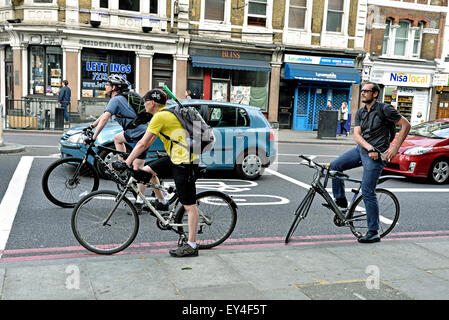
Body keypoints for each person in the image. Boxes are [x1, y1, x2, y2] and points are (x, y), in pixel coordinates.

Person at [114, 88, 200, 257]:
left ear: (152, 103)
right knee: (146, 171)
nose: (143, 104)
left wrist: (126, 162)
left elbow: (142, 144)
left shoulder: (161, 116)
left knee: (189, 206)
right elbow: (149, 141)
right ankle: (162, 202)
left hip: (185, 162)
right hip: (176, 157)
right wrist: (130, 162)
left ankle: (192, 245)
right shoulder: (162, 115)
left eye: (144, 101)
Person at [330, 82, 410, 243]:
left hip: (376, 156)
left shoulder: (384, 109)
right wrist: (369, 147)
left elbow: (406, 125)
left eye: (367, 91)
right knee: (335, 166)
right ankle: (341, 202)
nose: (363, 93)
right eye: (362, 91)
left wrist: (394, 149)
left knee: (367, 191)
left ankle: (373, 232)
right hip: (363, 150)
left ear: (375, 94)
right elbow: (357, 135)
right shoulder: (360, 112)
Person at [85, 75, 150, 213]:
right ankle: (125, 165)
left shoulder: (116, 99)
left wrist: (94, 137)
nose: (105, 87)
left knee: (139, 167)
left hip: (141, 135)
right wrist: (91, 126)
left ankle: (140, 201)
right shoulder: (119, 99)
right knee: (117, 139)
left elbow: (106, 119)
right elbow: (103, 116)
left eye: (107, 84)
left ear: (114, 87)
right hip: (134, 132)